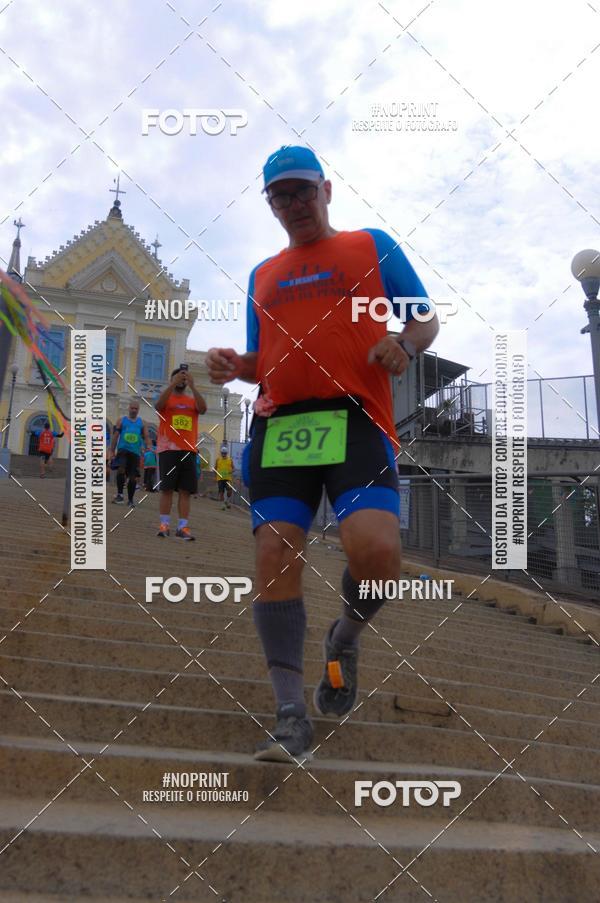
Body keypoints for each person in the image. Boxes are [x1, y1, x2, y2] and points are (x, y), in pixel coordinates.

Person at [206, 145, 439, 762]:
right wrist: (236, 365)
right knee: (274, 553)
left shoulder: (371, 246)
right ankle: (289, 715)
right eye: (280, 196)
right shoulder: (264, 274)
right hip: (282, 425)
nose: (293, 204)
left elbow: (424, 321)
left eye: (302, 191)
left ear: (326, 190)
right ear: (270, 205)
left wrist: (404, 346)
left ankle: (343, 637)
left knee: (378, 553)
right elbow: (265, 359)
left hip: (356, 419)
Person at [154, 366, 207, 540]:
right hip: (168, 449)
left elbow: (203, 408)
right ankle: (164, 525)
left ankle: (182, 527)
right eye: (178, 378)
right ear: (172, 380)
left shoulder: (191, 400)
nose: (181, 380)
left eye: (184, 378)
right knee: (167, 489)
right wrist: (172, 385)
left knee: (185, 491)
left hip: (188, 450)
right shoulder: (166, 398)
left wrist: (192, 386)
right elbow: (158, 406)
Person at [111, 399, 150, 508]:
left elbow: (146, 436)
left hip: (135, 453)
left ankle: (131, 500)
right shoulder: (121, 421)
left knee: (133, 478)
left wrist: (149, 446)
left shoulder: (142, 423)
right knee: (121, 470)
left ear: (138, 410)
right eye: (132, 408)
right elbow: (115, 436)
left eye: (136, 409)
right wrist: (111, 450)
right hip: (123, 450)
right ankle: (119, 495)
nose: (133, 410)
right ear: (128, 408)